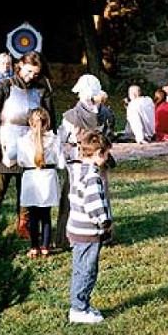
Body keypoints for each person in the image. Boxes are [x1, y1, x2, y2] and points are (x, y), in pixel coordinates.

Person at [0, 50, 54, 237]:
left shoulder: (42, 90)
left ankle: (24, 225)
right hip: (4, 143)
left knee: (27, 189)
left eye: (35, 74)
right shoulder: (2, 87)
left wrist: (46, 146)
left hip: (31, 145)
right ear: (19, 65)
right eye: (28, 71)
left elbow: (50, 119)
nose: (31, 77)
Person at [55, 74, 113, 250]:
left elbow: (109, 136)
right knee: (76, 197)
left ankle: (102, 233)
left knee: (93, 195)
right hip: (79, 158)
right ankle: (66, 237)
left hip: (91, 159)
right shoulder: (73, 116)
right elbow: (62, 137)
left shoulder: (105, 114)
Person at [67, 130, 113, 324]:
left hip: (76, 229)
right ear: (99, 153)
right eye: (107, 153)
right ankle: (79, 309)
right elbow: (93, 204)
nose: (108, 157)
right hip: (88, 231)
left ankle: (80, 303)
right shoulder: (93, 177)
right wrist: (105, 222)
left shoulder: (78, 170)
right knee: (87, 270)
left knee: (80, 267)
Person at [17, 108, 65, 258]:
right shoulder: (55, 139)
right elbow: (61, 163)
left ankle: (33, 246)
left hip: (31, 177)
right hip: (47, 177)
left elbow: (20, 161)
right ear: (47, 123)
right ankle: (45, 246)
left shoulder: (22, 141)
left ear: (30, 123)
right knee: (46, 215)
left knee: (32, 215)